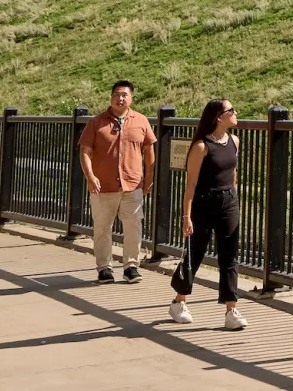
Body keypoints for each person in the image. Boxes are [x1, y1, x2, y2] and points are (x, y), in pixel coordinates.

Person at [169, 98, 246, 330]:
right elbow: (191, 183)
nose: (235, 113)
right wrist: (186, 216)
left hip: (229, 202)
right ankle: (178, 302)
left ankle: (231, 309)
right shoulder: (201, 147)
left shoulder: (234, 141)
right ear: (219, 117)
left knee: (229, 256)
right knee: (195, 253)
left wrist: (233, 197)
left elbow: (232, 174)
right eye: (230, 110)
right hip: (204, 203)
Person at [79, 80, 156, 283]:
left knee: (133, 225)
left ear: (131, 98)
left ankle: (131, 266)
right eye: (116, 94)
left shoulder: (141, 120)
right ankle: (104, 268)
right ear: (111, 97)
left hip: (132, 184)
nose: (120, 98)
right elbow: (85, 151)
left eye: (124, 95)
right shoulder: (96, 122)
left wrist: (149, 177)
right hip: (102, 185)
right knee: (103, 227)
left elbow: (149, 150)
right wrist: (90, 176)